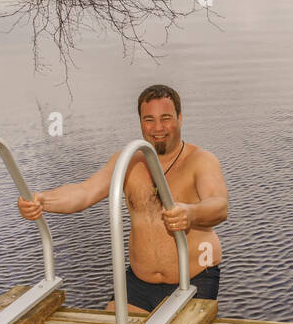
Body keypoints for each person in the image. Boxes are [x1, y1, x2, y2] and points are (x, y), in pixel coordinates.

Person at [16, 84, 227, 311]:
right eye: (149, 120)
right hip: (140, 281)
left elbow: (218, 205)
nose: (158, 128)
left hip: (194, 275)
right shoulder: (129, 160)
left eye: (165, 118)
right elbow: (85, 192)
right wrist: (40, 200)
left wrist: (190, 212)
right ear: (140, 122)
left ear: (180, 118)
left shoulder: (200, 160)